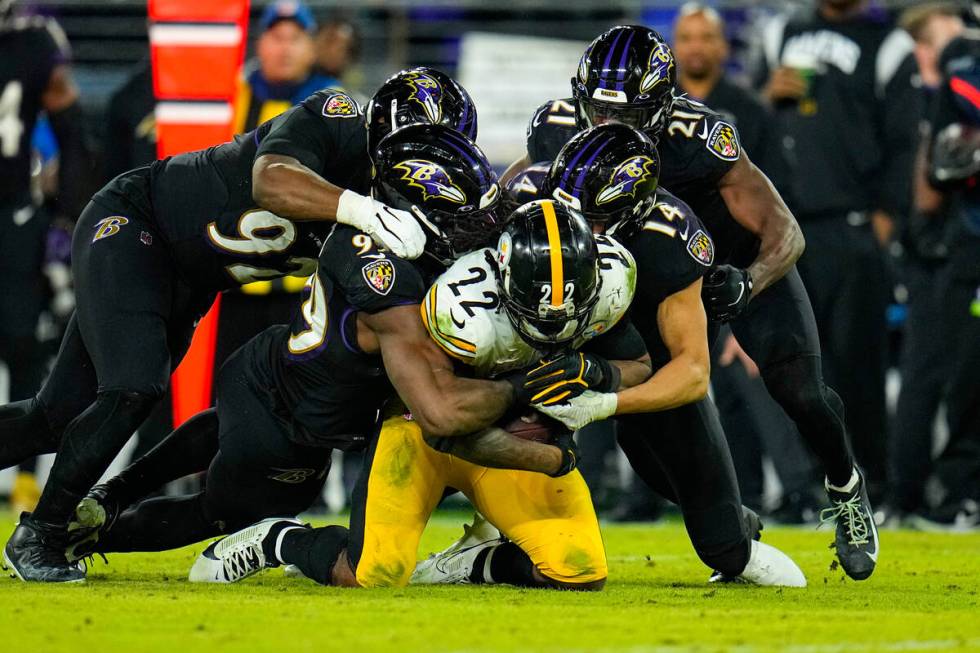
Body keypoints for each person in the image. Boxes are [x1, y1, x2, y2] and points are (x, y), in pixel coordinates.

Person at [0, 82, 445, 582]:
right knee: (132, 387)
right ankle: (41, 534)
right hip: (137, 222)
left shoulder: (408, 199)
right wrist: (361, 208)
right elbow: (270, 180)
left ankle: (54, 525)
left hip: (189, 277)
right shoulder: (337, 115)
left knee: (55, 418)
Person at [64, 125, 535, 563]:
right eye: (460, 216)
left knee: (222, 435)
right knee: (224, 513)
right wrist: (528, 388)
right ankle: (82, 537)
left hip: (289, 385)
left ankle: (110, 496)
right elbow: (438, 410)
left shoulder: (392, 247)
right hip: (289, 412)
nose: (473, 230)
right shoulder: (387, 274)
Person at [508, 25, 876, 581]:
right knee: (646, 441)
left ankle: (846, 484)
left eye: (626, 117)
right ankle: (727, 513)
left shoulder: (699, 136)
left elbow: (786, 231)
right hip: (654, 276)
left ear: (660, 109)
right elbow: (514, 199)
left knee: (799, 392)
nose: (606, 129)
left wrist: (749, 281)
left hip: (728, 270)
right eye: (597, 112)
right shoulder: (557, 128)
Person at [530, 124, 804, 587]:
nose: (578, 231)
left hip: (651, 376)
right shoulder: (528, 196)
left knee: (723, 545)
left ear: (633, 213)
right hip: (558, 353)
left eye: (595, 219)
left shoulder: (669, 237)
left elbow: (694, 372)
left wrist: (604, 405)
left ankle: (735, 524)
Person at [757, 0, 918, 499]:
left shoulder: (889, 43)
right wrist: (766, 97)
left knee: (859, 366)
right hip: (788, 227)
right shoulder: (779, 31)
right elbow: (749, 133)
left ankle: (877, 485)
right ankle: (809, 490)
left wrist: (883, 224)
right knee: (794, 366)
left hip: (851, 227)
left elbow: (904, 141)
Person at [672, 2, 816, 519]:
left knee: (766, 377)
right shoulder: (655, 115)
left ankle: (801, 491)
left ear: (721, 47)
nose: (695, 47)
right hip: (676, 274)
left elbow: (776, 204)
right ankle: (734, 496)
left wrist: (747, 291)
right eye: (686, 37)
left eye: (705, 37)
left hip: (738, 267)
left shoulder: (745, 112)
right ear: (674, 48)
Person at [0, 2, 90, 512]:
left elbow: (72, 130)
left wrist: (67, 216)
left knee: (22, 341)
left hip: (13, 215)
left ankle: (27, 477)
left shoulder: (34, 43)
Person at [887, 2, 965, 525]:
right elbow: (921, 188)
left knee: (951, 376)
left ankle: (932, 493)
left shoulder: (953, 96)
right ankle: (913, 494)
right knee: (928, 376)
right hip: (929, 255)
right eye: (948, 40)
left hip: (953, 250)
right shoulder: (912, 96)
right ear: (922, 49)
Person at [915, 0, 980, 529]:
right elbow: (942, 166)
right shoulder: (963, 64)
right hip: (972, 242)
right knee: (968, 375)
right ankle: (959, 493)